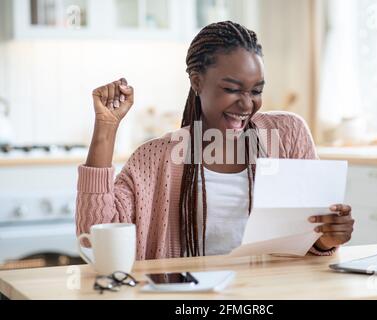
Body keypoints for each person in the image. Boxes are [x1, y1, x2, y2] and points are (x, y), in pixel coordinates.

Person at [76, 21, 354, 260]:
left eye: (256, 90)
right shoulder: (155, 158)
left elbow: (309, 242)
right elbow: (94, 242)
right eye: (232, 89)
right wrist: (106, 127)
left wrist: (326, 238)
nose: (247, 104)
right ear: (197, 82)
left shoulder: (288, 134)